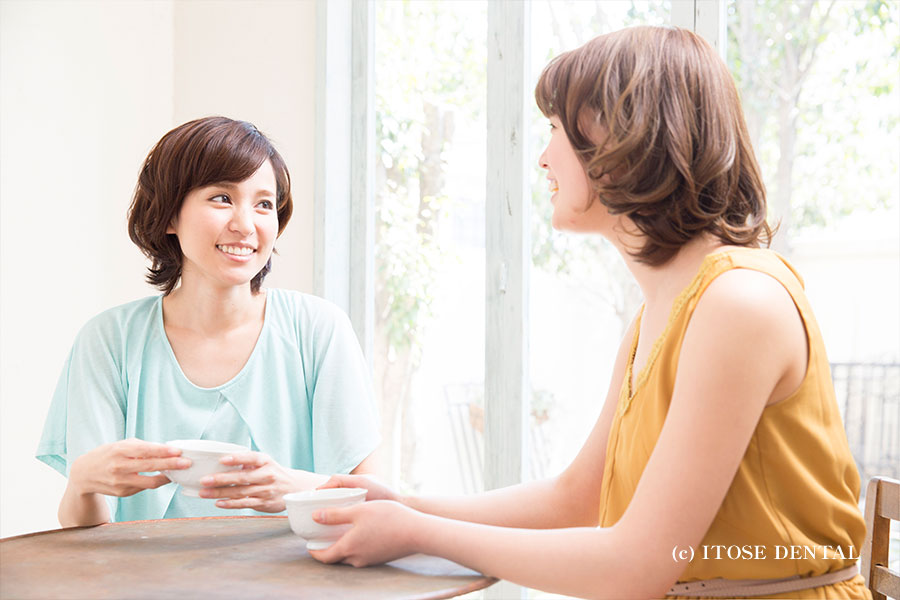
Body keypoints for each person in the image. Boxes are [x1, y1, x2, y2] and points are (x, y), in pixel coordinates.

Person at [305, 26, 871, 600]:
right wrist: (409, 504)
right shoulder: (662, 313)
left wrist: (418, 533)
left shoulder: (738, 305)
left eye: (554, 130)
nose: (543, 157)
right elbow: (578, 496)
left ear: (622, 143)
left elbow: (636, 566)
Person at [37, 116, 381, 527]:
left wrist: (293, 487)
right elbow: (86, 537)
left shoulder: (318, 329)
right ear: (169, 216)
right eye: (221, 198)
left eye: (264, 204)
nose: (246, 224)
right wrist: (81, 484)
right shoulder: (108, 340)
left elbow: (371, 502)